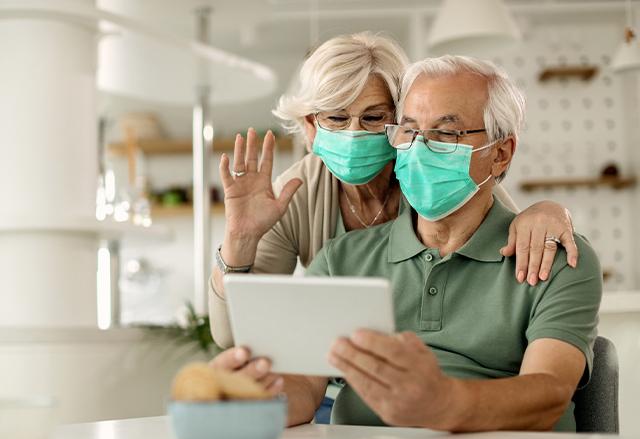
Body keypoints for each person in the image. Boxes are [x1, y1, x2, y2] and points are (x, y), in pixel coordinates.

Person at [210, 32, 577, 353]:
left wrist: (547, 211)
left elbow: (502, 224)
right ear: (310, 126)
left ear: (401, 120)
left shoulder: (430, 174)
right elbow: (233, 335)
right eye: (337, 118)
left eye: (373, 118)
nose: (354, 133)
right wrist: (239, 240)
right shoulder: (293, 195)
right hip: (335, 385)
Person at [301, 55, 602, 431]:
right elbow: (300, 386)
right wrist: (249, 391)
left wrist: (442, 405)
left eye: (445, 134)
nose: (419, 149)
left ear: (500, 153)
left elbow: (550, 392)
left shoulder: (555, 260)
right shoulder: (339, 260)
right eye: (409, 131)